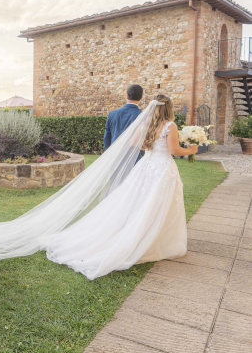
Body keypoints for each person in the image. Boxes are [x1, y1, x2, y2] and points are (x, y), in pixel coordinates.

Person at [43, 95, 198, 279]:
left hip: (146, 166)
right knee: (156, 204)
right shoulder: (169, 126)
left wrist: (150, 146)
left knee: (137, 202)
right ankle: (150, 239)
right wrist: (191, 150)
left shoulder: (146, 123)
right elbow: (174, 150)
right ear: (169, 108)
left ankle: (136, 233)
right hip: (161, 169)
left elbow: (133, 143)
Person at [103, 84, 144, 150]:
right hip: (134, 157)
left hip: (115, 154)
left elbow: (107, 138)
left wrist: (109, 154)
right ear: (141, 98)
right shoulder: (143, 115)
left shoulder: (112, 113)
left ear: (127, 95)